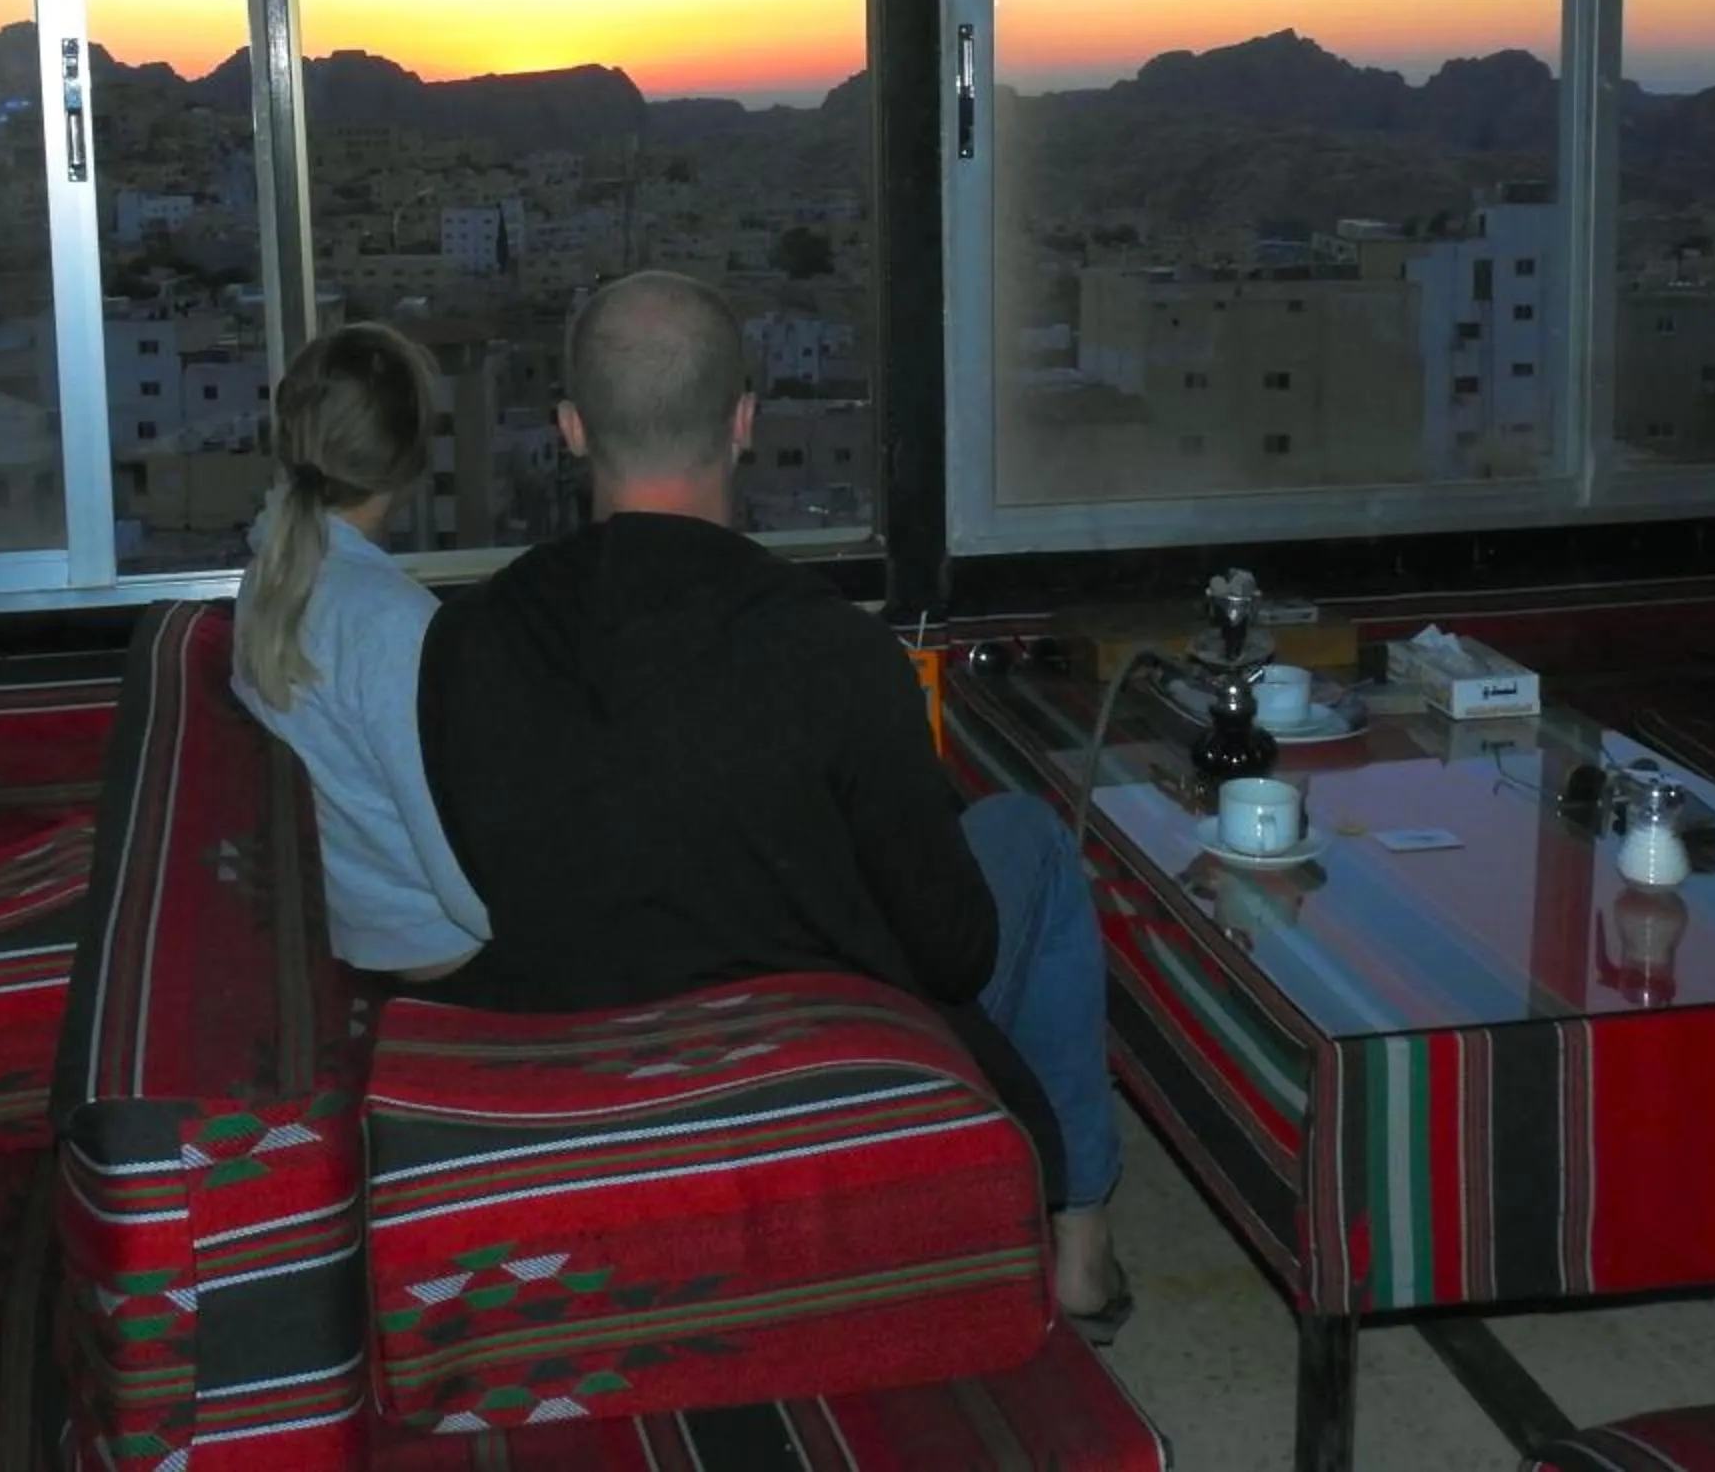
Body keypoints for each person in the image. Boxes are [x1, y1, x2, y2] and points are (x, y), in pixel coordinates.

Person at [417, 270, 1126, 1337]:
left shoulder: (463, 641)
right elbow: (953, 953)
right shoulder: (834, 650)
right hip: (800, 1052)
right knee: (1028, 838)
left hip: (572, 1030)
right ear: (744, 423)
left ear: (571, 430)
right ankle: (1078, 1241)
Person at [234, 321, 490, 981]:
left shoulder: (271, 582)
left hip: (356, 932)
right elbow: (455, 860)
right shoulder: (392, 622)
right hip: (440, 951)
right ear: (412, 462)